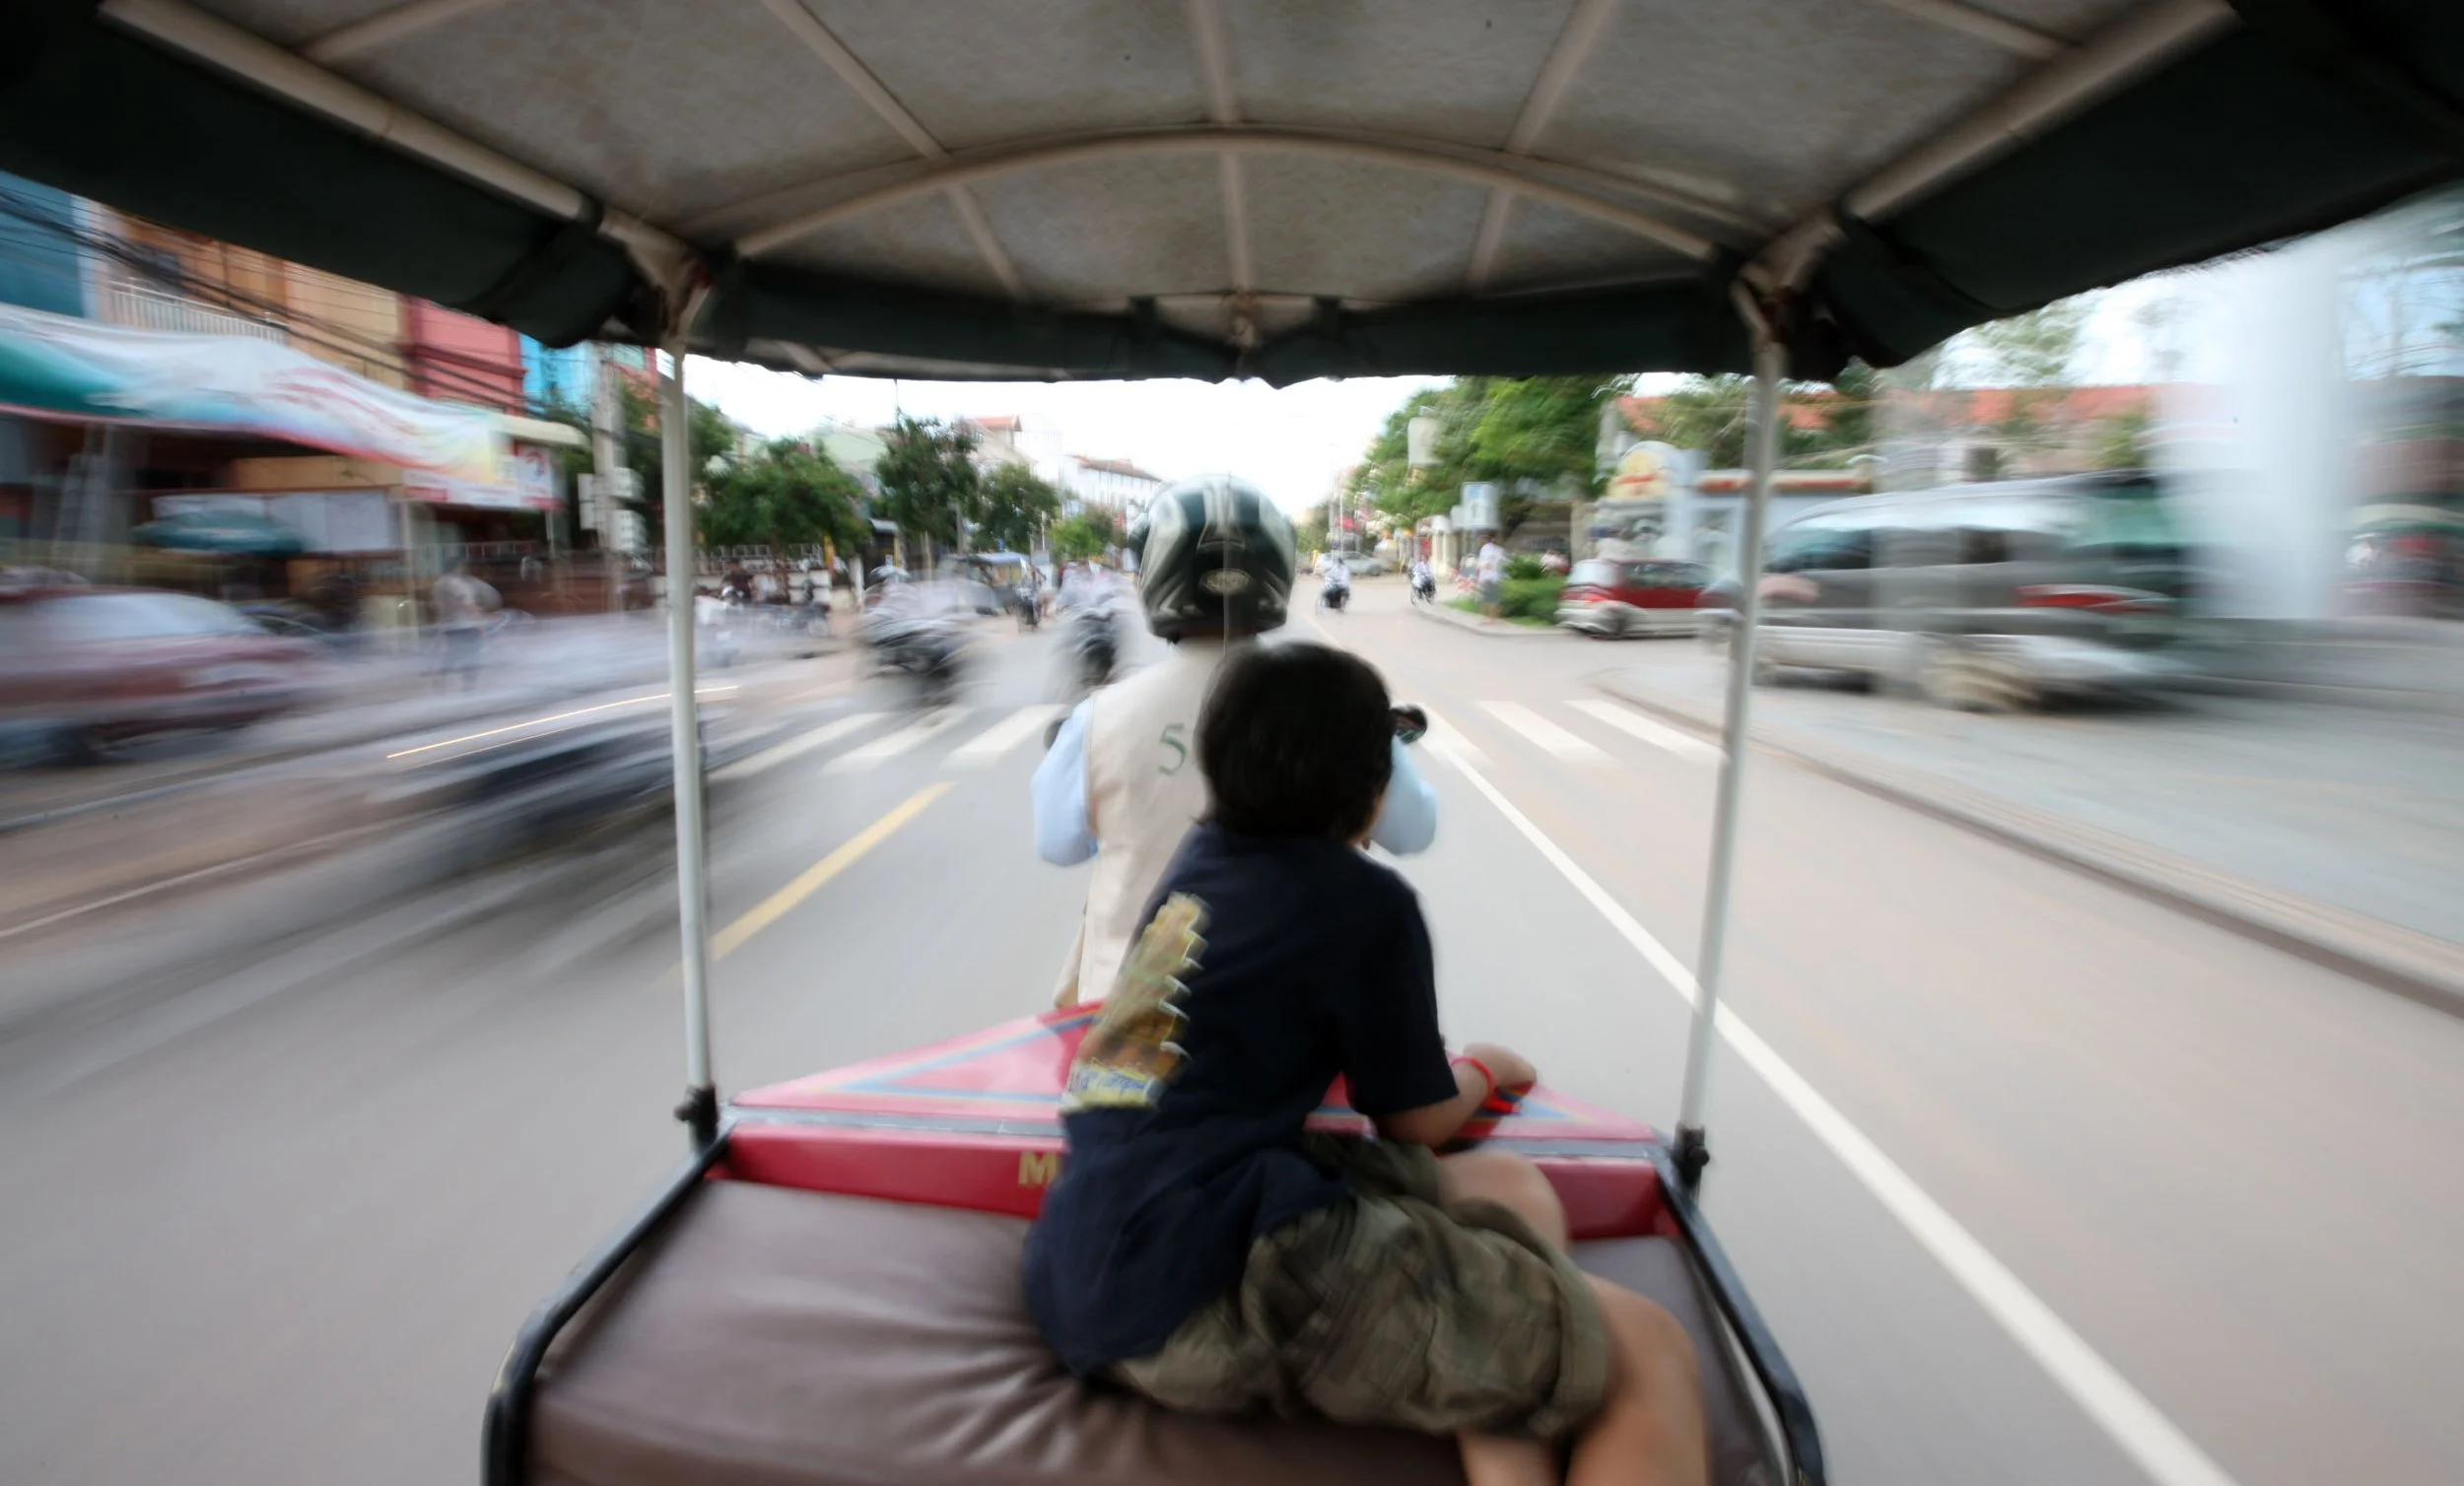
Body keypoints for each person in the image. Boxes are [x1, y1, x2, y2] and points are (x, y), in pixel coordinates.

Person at [1025, 642, 1708, 1486]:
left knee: (1512, 1192)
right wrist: (1489, 1069)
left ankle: (1505, 1417)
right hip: (1217, 1284)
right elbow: (1415, 1120)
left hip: (1096, 1253)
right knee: (1647, 1352)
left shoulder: (1196, 867)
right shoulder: (1366, 903)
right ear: (1372, 794)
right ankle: (1519, 1357)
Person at [1033, 476, 1435, 1009]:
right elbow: (1413, 829)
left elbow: (1058, 844)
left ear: (1155, 576)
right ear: (1275, 573)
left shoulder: (1100, 716)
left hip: (1131, 1017)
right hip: (1295, 1019)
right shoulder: (1337, 705)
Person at [430, 561, 499, 691]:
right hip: (466, 625)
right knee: (472, 656)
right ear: (458, 568)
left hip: (448, 625)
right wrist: (480, 624)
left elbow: (435, 606)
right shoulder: (457, 583)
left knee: (453, 653)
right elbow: (469, 605)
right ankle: (469, 684)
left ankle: (441, 678)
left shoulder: (437, 585)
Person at [1476, 535, 1508, 618]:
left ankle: (1488, 618)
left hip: (1488, 577)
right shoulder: (1500, 550)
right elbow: (1504, 562)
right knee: (1493, 599)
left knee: (1486, 599)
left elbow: (1484, 564)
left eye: (1480, 540)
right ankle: (1492, 617)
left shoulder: (1486, 549)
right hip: (1495, 577)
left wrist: (1481, 566)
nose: (1479, 542)